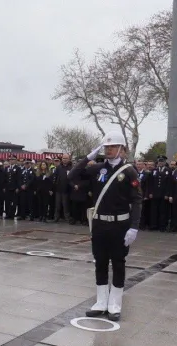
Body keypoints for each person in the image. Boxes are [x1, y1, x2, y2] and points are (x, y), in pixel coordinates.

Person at [69, 133, 142, 321]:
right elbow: (72, 175)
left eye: (113, 146)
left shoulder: (129, 171)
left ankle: (115, 304)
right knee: (100, 262)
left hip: (120, 224)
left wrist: (133, 227)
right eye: (106, 147)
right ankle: (101, 302)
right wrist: (88, 158)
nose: (108, 149)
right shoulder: (98, 168)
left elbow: (137, 200)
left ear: (122, 150)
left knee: (118, 263)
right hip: (100, 223)